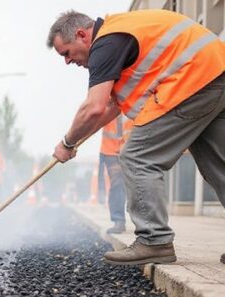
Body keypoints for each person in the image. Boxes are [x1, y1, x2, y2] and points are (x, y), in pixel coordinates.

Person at [47, 9, 225, 265]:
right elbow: (109, 107)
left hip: (192, 80)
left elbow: (93, 107)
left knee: (135, 157)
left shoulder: (106, 43)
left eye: (66, 53)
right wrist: (74, 141)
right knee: (219, 165)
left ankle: (155, 241)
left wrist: (66, 143)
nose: (67, 61)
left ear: (82, 35)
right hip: (216, 74)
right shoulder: (122, 33)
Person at [98, 114, 132, 234]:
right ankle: (119, 221)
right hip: (110, 150)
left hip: (132, 148)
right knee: (117, 184)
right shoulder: (106, 99)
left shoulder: (133, 98)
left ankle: (144, 221)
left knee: (138, 183)